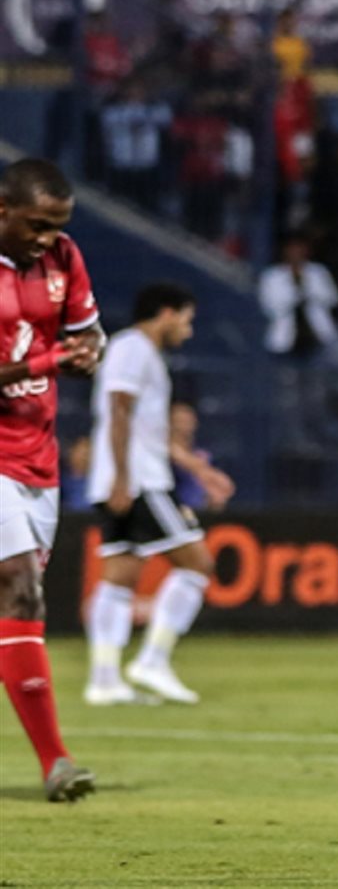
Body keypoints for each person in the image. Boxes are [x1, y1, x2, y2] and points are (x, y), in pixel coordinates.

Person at [0, 158, 105, 801]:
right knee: (21, 589)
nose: (47, 238)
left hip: (38, 456)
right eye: (37, 225)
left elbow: (87, 332)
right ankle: (56, 762)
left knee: (15, 608)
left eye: (57, 226)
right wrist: (45, 363)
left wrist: (90, 352)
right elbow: (44, 357)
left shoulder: (64, 256)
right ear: (2, 210)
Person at [83, 283, 232, 707]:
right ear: (166, 313)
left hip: (123, 477)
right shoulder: (133, 348)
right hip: (139, 481)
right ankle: (153, 660)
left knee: (119, 578)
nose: (187, 329)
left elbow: (147, 429)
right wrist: (122, 477)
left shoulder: (140, 353)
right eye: (186, 319)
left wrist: (199, 469)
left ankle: (104, 679)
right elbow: (119, 409)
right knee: (198, 565)